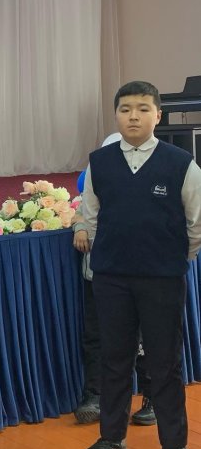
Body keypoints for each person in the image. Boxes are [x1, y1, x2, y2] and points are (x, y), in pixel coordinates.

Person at [78, 80, 201, 449]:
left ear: (158, 115)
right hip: (111, 278)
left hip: (162, 280)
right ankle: (111, 439)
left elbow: (196, 224)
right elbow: (90, 217)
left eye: (143, 109)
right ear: (116, 115)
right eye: (126, 109)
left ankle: (174, 447)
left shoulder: (181, 163)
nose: (134, 116)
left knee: (165, 364)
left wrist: (172, 259)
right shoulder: (99, 162)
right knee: (115, 360)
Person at [73, 135, 154, 426]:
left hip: (141, 277)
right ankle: (94, 397)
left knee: (144, 338)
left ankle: (152, 397)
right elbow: (83, 208)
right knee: (96, 337)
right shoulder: (97, 178)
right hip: (100, 274)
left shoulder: (150, 183)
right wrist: (80, 226)